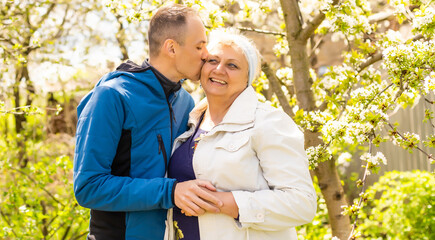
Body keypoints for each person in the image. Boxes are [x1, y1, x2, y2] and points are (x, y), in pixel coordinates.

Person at [73, 5, 223, 240]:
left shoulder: (185, 101)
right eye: (199, 45)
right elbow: (89, 187)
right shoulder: (112, 96)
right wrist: (170, 192)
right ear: (171, 47)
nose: (206, 54)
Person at [165, 28, 317, 240]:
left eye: (232, 65)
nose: (219, 69)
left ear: (249, 78)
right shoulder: (188, 122)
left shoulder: (268, 122)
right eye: (212, 60)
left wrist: (224, 203)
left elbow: (302, 203)